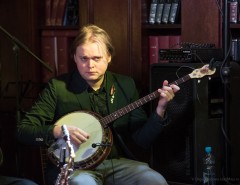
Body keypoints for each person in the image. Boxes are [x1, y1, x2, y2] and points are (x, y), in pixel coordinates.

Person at [17, 24, 180, 185]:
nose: (90, 65)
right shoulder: (57, 88)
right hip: (75, 167)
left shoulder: (125, 85)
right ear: (74, 57)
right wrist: (58, 131)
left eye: (97, 58)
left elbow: (142, 140)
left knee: (155, 180)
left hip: (116, 164)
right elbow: (23, 131)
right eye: (84, 58)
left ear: (109, 56)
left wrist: (161, 109)